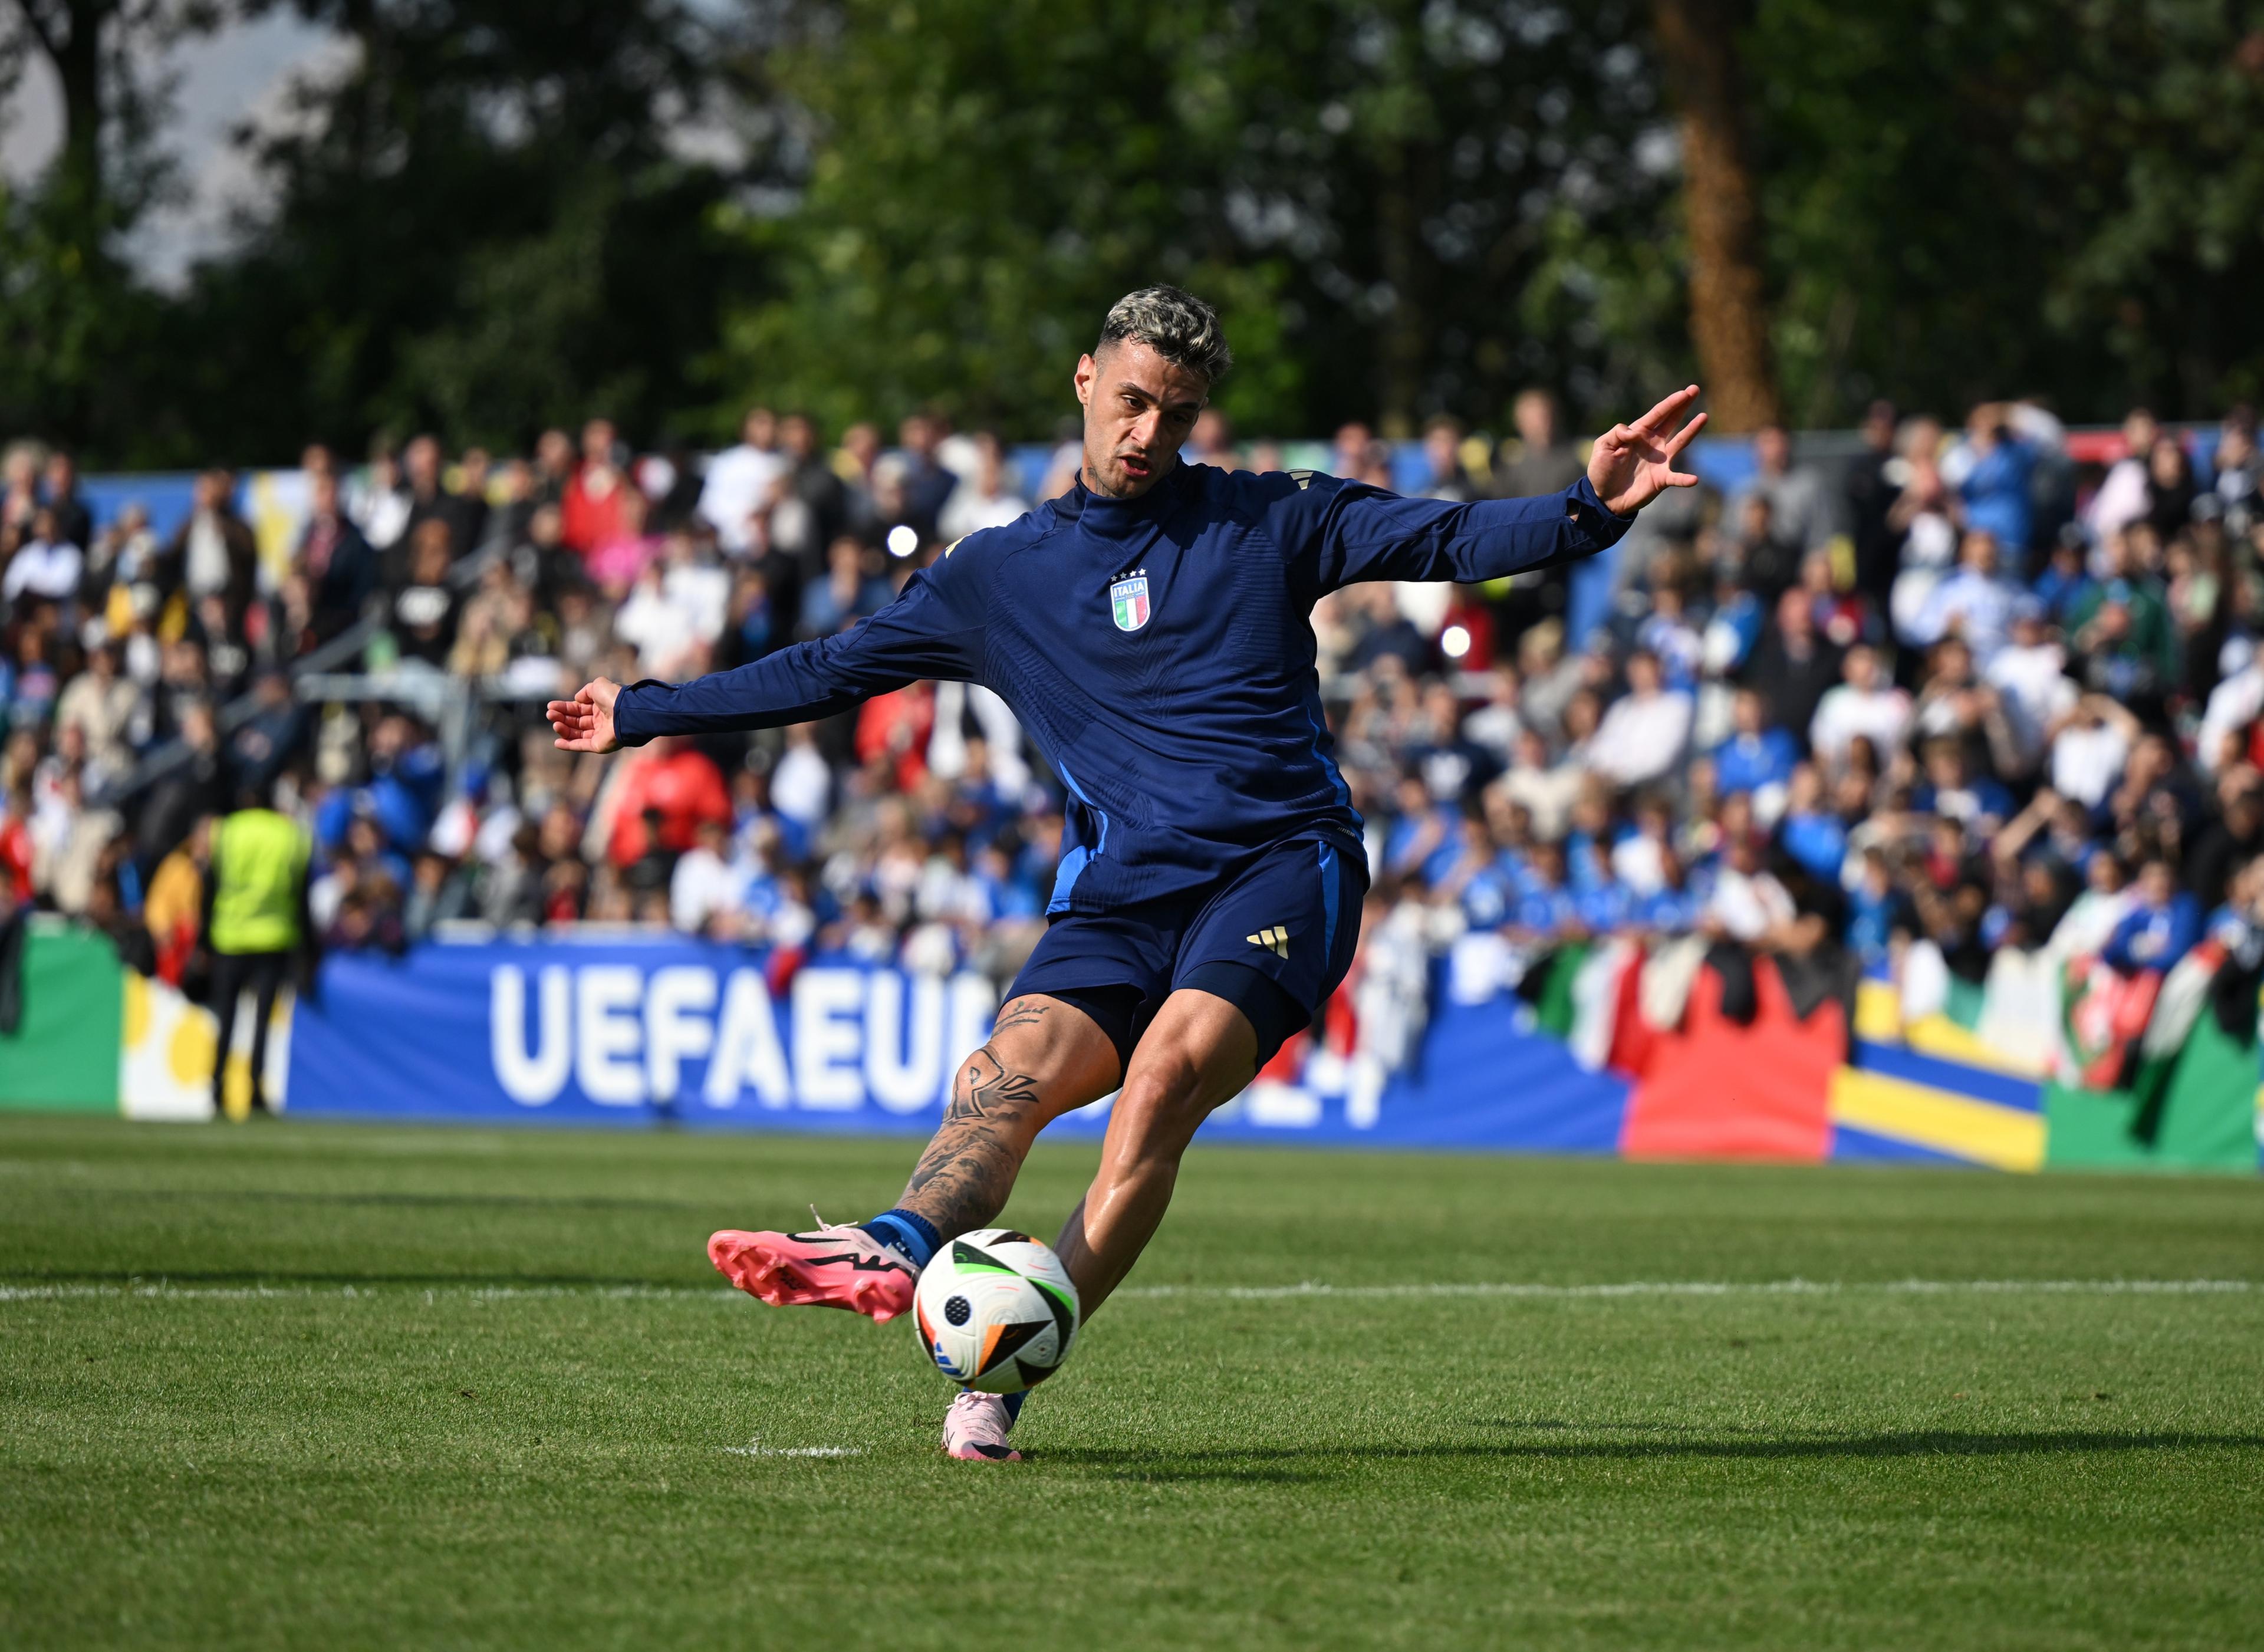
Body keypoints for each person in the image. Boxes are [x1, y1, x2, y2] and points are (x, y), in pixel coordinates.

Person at [547, 285, 1706, 1462]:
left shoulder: (1269, 519)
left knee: (1158, 1082)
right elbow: (833, 669)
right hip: (1117, 892)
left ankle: (1005, 1376)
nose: (1152, 432)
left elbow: (1447, 538)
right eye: (1137, 401)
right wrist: (645, 711)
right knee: (1008, 1074)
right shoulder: (997, 576)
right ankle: (892, 1245)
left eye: (1180, 412)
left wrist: (1586, 509)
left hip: (1275, 870)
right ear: (1087, 382)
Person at [200, 785, 312, 1118]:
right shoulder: (290, 835)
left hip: (230, 936)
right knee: (262, 1022)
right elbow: (300, 894)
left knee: (227, 1018)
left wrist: (204, 941)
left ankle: (217, 1087)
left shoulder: (227, 832)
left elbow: (210, 886)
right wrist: (306, 946)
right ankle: (255, 1090)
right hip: (274, 937)